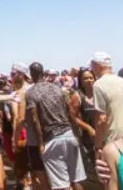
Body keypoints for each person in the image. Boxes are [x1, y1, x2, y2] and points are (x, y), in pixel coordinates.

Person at [26, 62, 86, 190]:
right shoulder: (58, 88)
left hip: (52, 139)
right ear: (43, 73)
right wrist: (75, 134)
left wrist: (41, 144)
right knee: (76, 180)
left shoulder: (31, 93)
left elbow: (35, 120)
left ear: (31, 74)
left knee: (61, 185)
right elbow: (71, 113)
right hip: (69, 134)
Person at [91, 52, 123, 147]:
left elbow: (102, 119)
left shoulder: (99, 84)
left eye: (92, 65)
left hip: (112, 140)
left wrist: (98, 145)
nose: (91, 68)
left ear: (98, 65)